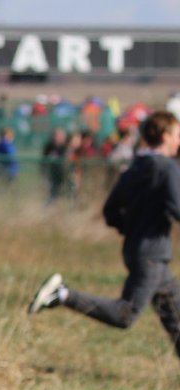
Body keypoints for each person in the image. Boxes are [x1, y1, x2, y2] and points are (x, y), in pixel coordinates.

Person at [28, 110, 180, 361]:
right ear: (164, 136)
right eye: (177, 135)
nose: (178, 141)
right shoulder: (167, 168)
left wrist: (132, 227)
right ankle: (63, 295)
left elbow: (110, 211)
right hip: (153, 253)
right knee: (126, 314)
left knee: (175, 314)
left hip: (137, 250)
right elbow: (177, 207)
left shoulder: (136, 167)